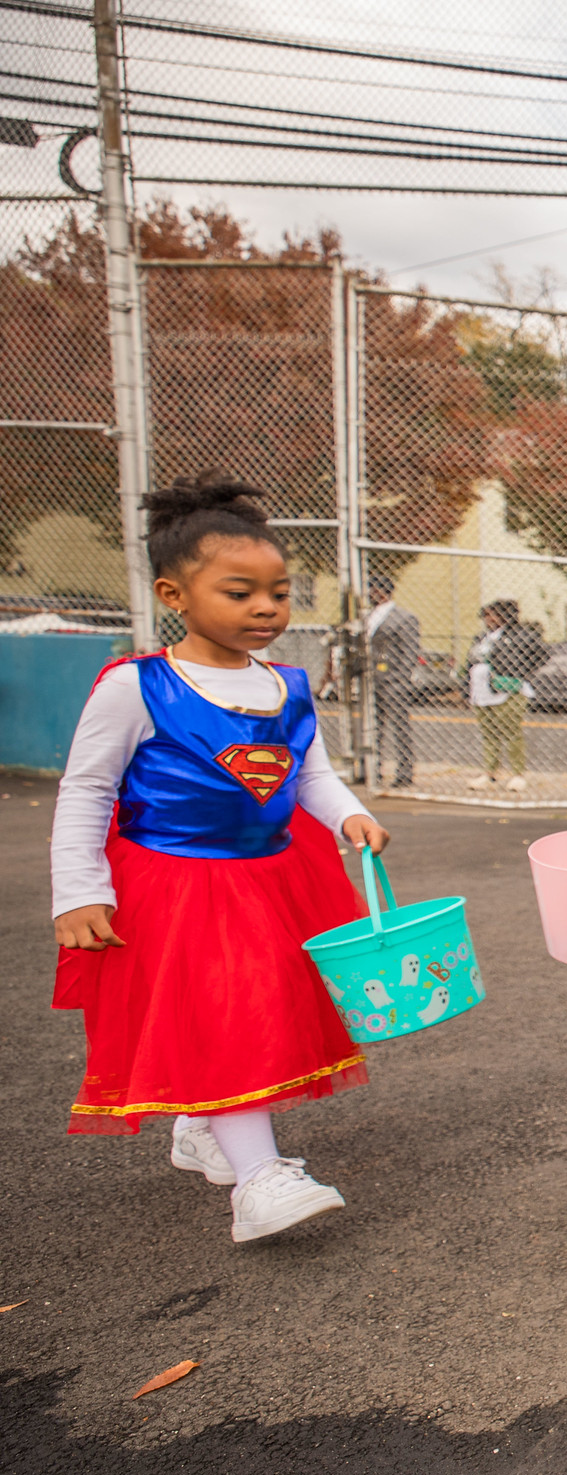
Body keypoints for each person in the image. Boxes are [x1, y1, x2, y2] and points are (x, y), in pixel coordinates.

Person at [49, 471, 389, 1243]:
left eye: (278, 591)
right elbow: (85, 790)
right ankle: (259, 1181)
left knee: (252, 1005)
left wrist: (351, 816)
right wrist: (77, 890)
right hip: (174, 884)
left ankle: (206, 1127)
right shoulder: (137, 686)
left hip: (269, 879)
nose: (266, 607)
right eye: (240, 592)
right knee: (227, 1010)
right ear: (175, 594)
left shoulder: (288, 685)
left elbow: (310, 773)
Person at [468, 598, 545, 792]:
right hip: (482, 691)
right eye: (486, 615)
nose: (489, 619)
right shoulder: (482, 637)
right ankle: (490, 771)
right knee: (489, 733)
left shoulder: (520, 635)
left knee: (511, 732)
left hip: (508, 690)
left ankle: (518, 773)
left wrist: (520, 673)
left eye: (494, 615)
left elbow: (542, 654)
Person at [363, 573, 419, 788]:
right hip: (372, 678)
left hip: (393, 679)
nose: (369, 594)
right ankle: (373, 769)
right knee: (373, 727)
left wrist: (402, 679)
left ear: (381, 591)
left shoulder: (404, 617)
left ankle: (405, 771)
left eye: (372, 590)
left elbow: (410, 651)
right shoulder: (368, 616)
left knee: (399, 727)